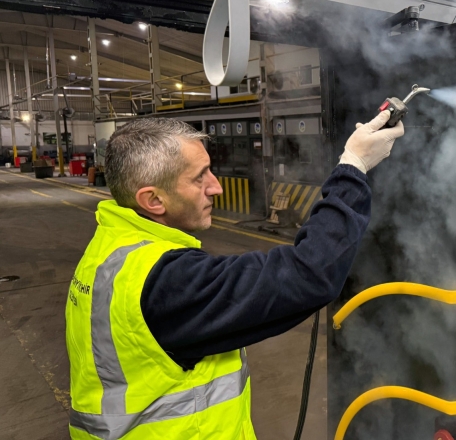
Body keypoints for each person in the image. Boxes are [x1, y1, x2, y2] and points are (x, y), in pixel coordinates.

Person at [65, 112, 404, 439]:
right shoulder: (166, 284)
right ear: (153, 199)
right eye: (200, 178)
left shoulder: (111, 250)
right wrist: (353, 166)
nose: (216, 188)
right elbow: (308, 274)